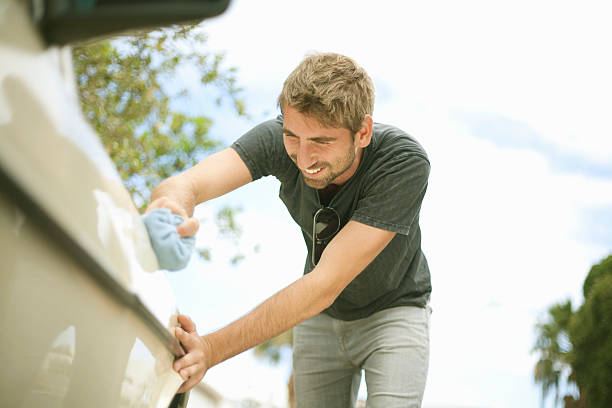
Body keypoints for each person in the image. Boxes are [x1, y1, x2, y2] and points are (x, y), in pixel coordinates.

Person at [147, 52, 432, 407]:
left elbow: (324, 285)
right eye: (292, 136)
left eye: (322, 142)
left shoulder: (402, 162)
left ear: (362, 132)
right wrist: (171, 204)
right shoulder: (281, 139)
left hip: (393, 313)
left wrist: (210, 349)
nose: (303, 157)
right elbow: (189, 183)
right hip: (321, 320)